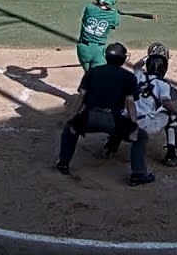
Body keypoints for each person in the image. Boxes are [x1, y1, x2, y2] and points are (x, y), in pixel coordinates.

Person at [55, 42, 155, 186]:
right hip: (113, 120)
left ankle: (63, 164)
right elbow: (130, 104)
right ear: (122, 58)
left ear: (106, 56)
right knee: (141, 136)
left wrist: (73, 119)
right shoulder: (128, 76)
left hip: (89, 117)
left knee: (70, 129)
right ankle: (138, 174)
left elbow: (81, 97)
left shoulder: (93, 71)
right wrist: (133, 127)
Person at [107, 43, 177, 166]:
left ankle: (110, 147)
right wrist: (175, 110)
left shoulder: (137, 75)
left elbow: (137, 66)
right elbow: (166, 102)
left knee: (123, 109)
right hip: (143, 126)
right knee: (173, 117)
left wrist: (149, 56)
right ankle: (172, 155)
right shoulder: (163, 84)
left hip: (125, 124)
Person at [76, 0, 121, 71]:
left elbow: (94, 6)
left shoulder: (89, 9)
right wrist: (113, 12)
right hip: (98, 51)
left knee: (88, 75)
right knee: (98, 76)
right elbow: (114, 25)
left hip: (83, 49)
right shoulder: (114, 16)